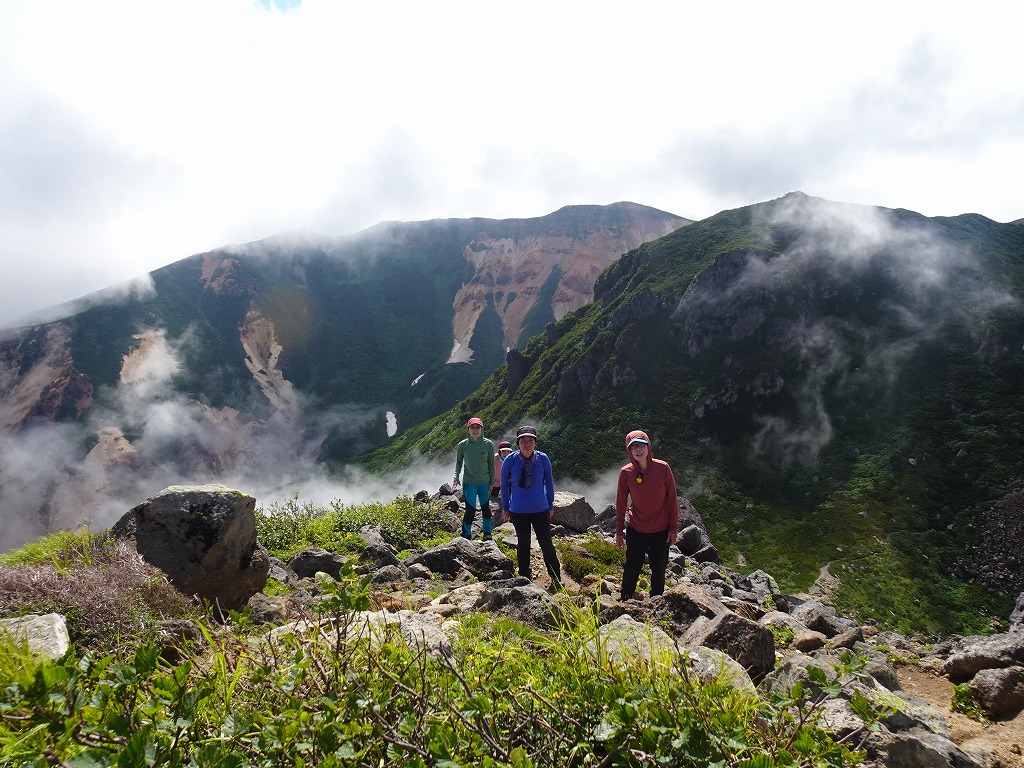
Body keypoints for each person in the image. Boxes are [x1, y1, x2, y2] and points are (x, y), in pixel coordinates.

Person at [614, 430, 679, 600]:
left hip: (661, 530)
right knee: (632, 567)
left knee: (659, 569)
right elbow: (621, 503)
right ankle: (625, 599)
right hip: (637, 528)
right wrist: (619, 532)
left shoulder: (663, 468)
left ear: (648, 446)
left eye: (641, 445)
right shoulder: (626, 473)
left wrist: (673, 529)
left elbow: (672, 499)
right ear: (629, 451)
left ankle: (656, 602)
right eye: (634, 446)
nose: (638, 450)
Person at [500, 425, 561, 586]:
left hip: (540, 509)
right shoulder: (510, 460)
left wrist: (550, 504)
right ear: (518, 443)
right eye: (523, 441)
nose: (527, 444)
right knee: (523, 543)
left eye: (530, 441)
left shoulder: (543, 459)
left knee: (546, 543)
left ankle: (556, 577)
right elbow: (504, 485)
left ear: (535, 443)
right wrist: (505, 507)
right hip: (518, 510)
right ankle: (525, 576)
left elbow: (549, 482)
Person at [453, 417, 496, 540]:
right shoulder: (463, 445)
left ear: (482, 429)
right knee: (470, 510)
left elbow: (491, 464)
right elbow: (458, 462)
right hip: (469, 482)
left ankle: (487, 532)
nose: (475, 430)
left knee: (485, 508)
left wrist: (491, 482)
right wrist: (456, 477)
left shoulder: (488, 444)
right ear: (468, 430)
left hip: (484, 482)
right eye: (472, 427)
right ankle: (466, 533)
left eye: (478, 427)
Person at [491, 440, 513, 525]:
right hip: (495, 481)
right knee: (493, 499)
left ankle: (511, 516)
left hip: (508, 482)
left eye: (508, 451)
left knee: (510, 499)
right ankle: (492, 516)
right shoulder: (494, 458)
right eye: (503, 451)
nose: (506, 453)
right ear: (499, 451)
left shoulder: (512, 459)